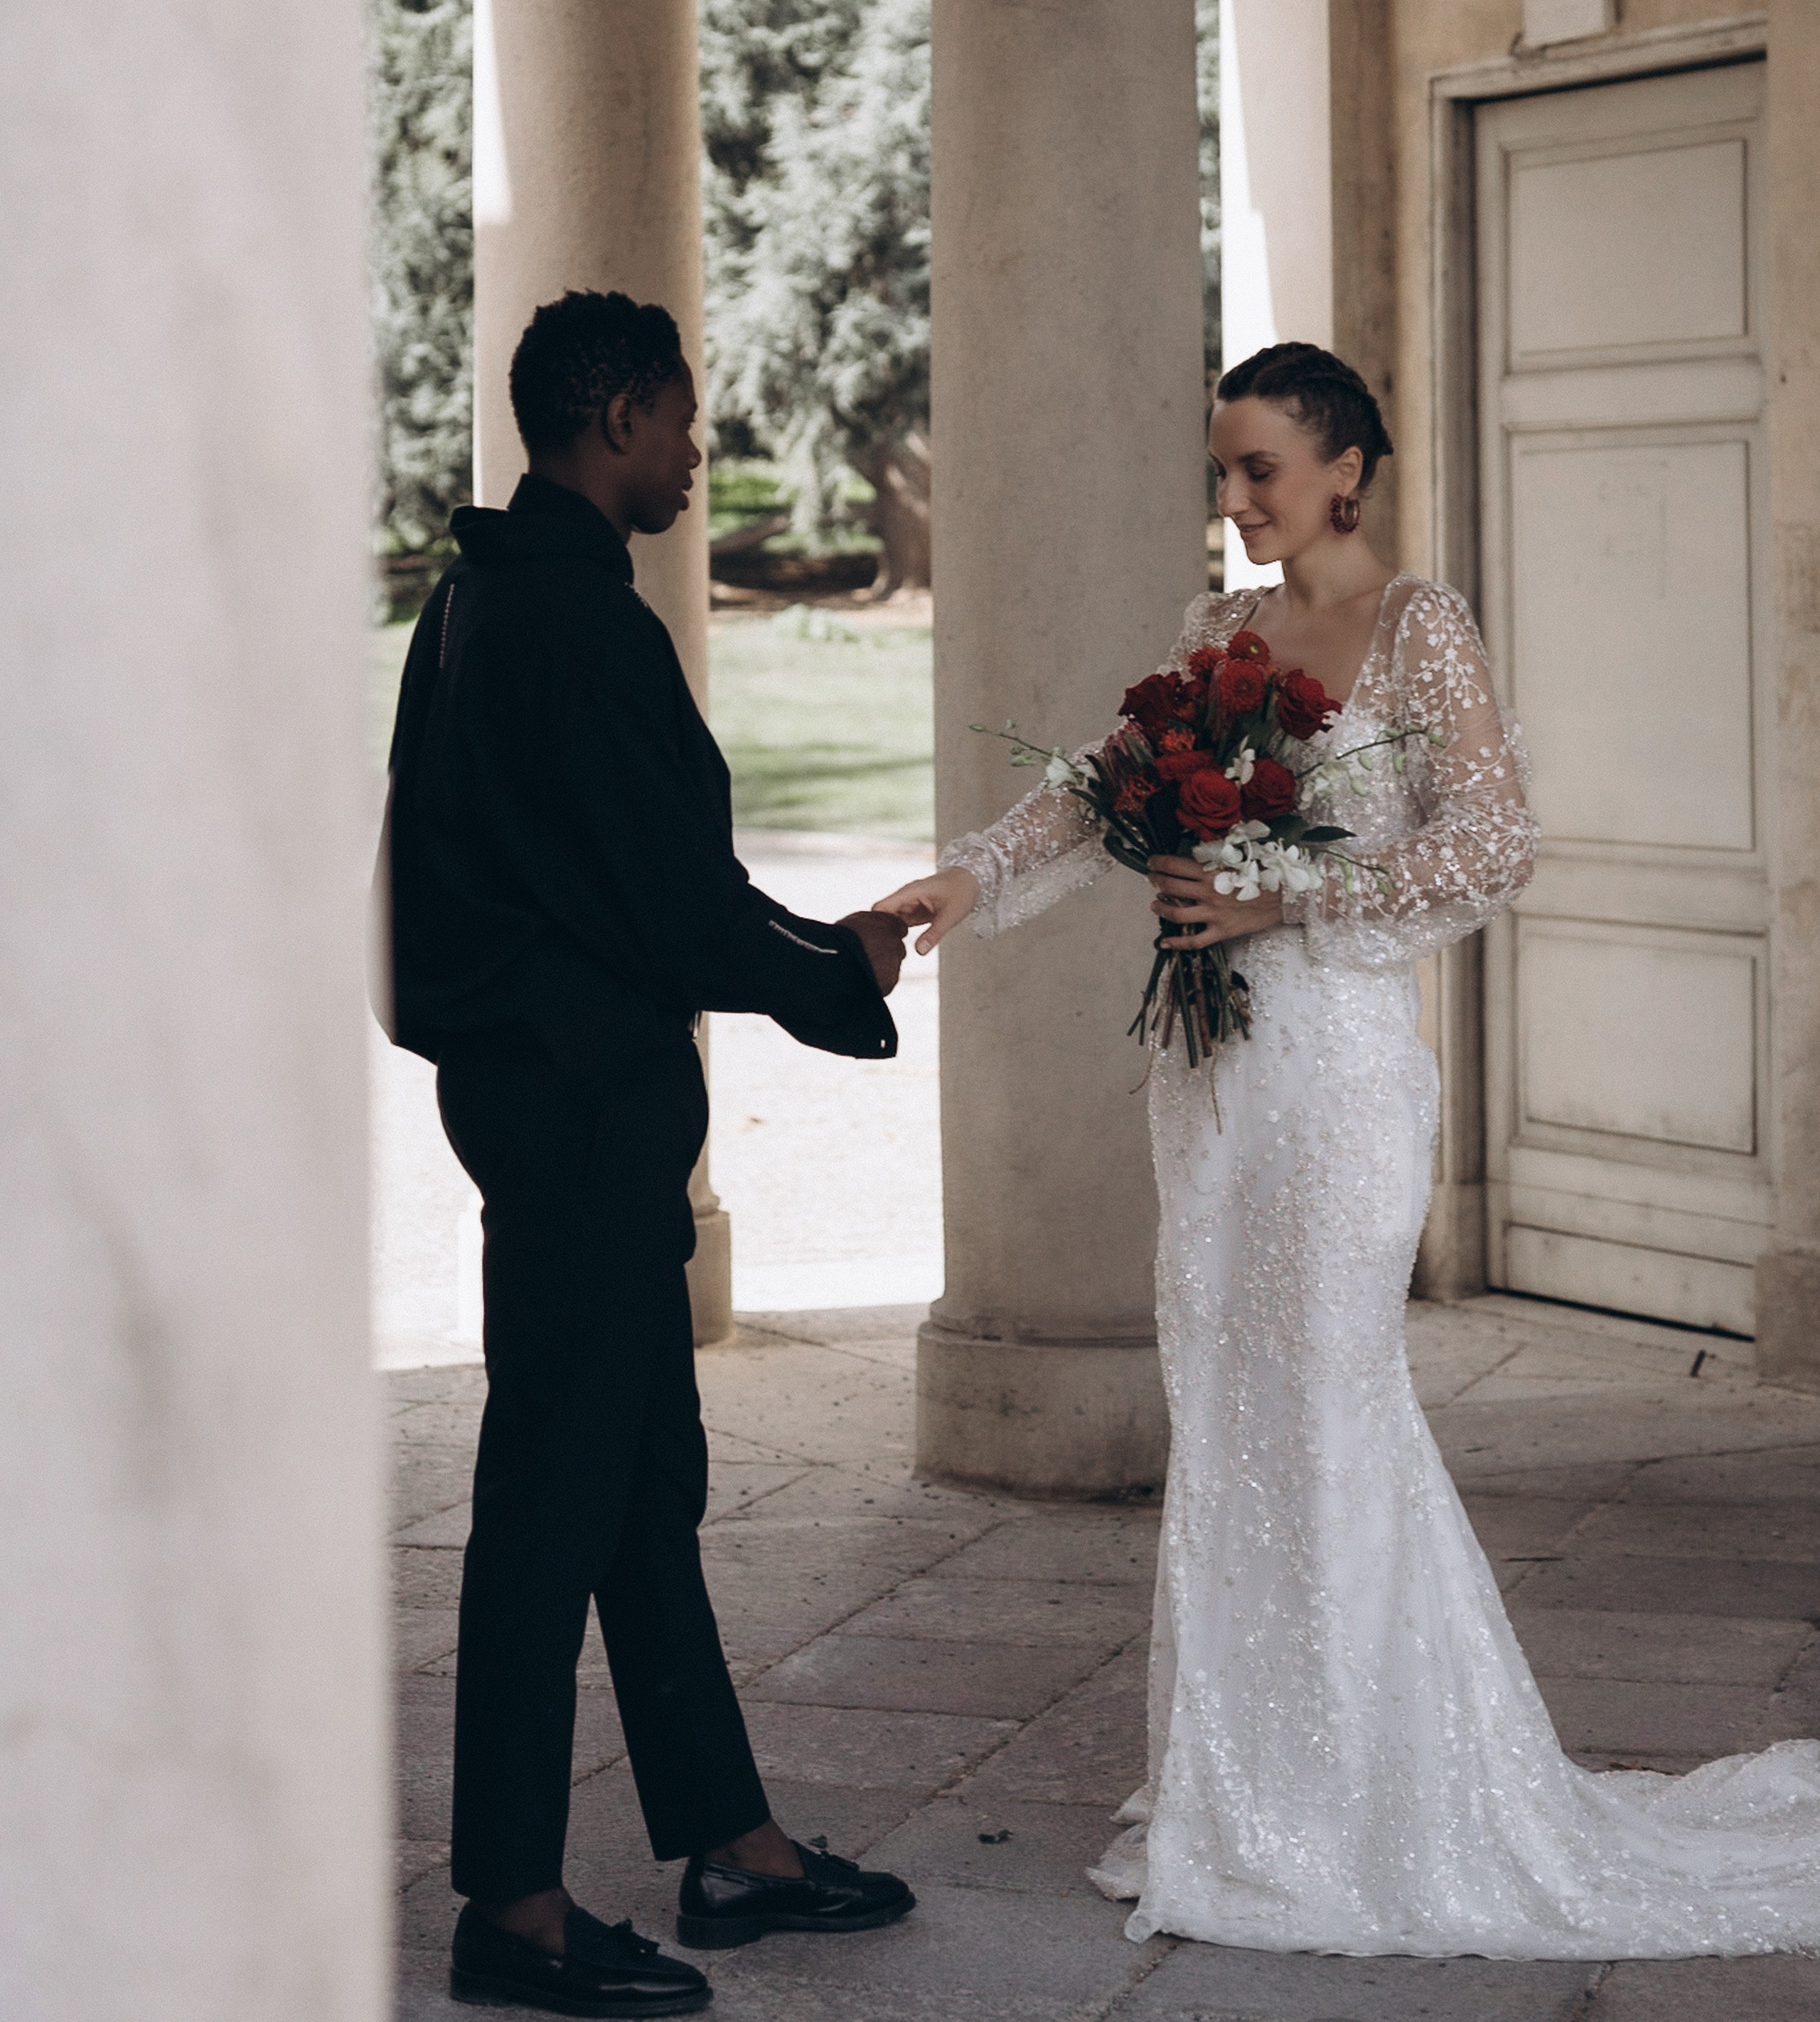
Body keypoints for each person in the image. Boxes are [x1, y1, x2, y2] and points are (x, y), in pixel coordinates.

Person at [875, 340, 1820, 1959]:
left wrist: (1285, 892)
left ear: (1343, 472)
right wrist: (961, 882)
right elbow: (1102, 790)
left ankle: (1391, 1798)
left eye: (1258, 468)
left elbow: (1495, 834)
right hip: (1214, 1083)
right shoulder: (1212, 636)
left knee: (1324, 1401)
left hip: (1338, 1079)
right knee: (1230, 1412)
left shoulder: (1415, 626)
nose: (1233, 497)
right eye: (1220, 469)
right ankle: (1250, 1792)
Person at [382, 289, 916, 2017]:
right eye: (683, 421)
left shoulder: (476, 596)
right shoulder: (571, 625)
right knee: (553, 1497)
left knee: (640, 1489)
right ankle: (513, 1911)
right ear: (613, 417)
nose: (698, 452)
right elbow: (668, 901)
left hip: (541, 1101)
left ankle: (729, 1843)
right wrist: (834, 970)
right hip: (578, 1122)